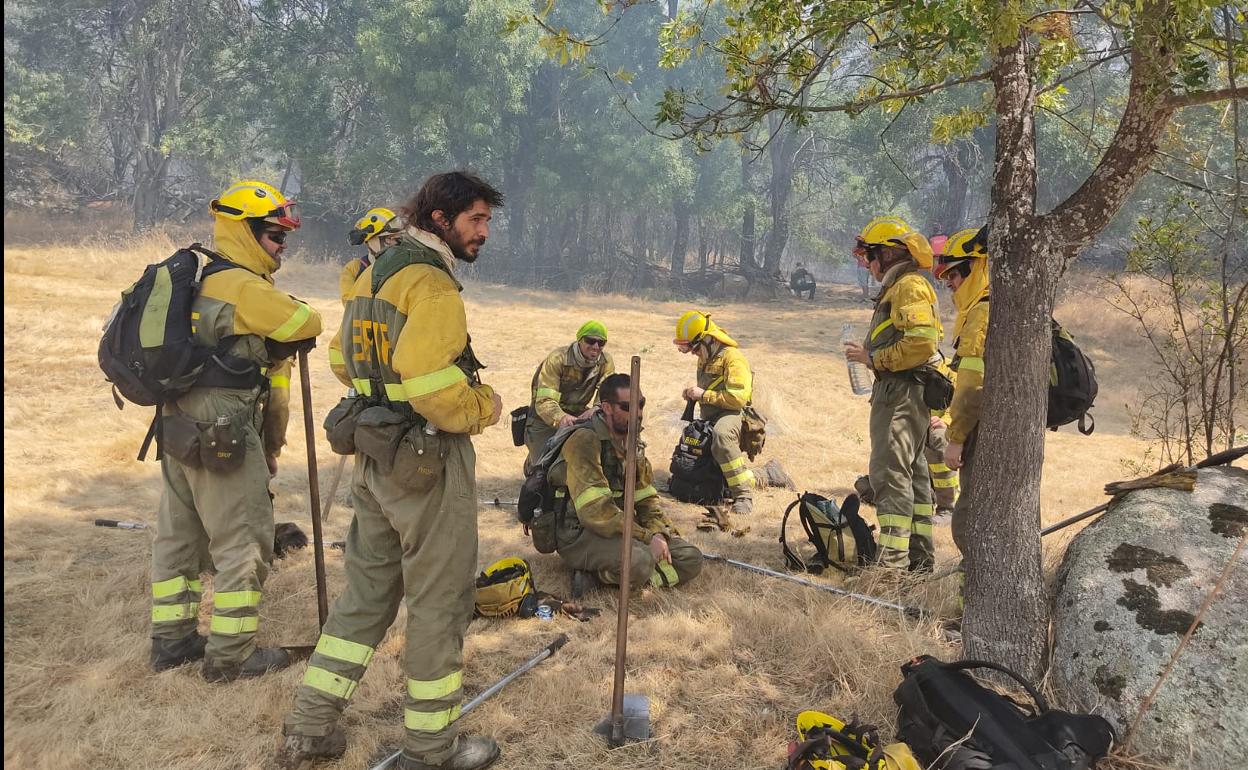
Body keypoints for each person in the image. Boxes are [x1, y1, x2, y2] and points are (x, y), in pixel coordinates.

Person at [278, 172, 505, 770]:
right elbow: (427, 379)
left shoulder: (374, 273)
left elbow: (340, 358)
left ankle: (309, 727)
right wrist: (482, 407)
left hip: (375, 456)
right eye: (476, 220)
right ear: (440, 219)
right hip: (428, 460)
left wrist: (384, 393)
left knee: (367, 595)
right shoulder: (431, 284)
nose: (485, 232)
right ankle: (431, 750)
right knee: (439, 603)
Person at [149, 180, 323, 680]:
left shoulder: (199, 276)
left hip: (177, 422)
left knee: (179, 537)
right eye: (274, 235)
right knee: (243, 540)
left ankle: (173, 640)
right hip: (224, 426)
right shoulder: (243, 287)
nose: (282, 246)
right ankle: (231, 656)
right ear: (244, 232)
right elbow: (304, 323)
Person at [843, 216, 943, 573]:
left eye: (869, 254)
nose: (866, 263)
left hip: (900, 395)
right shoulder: (899, 286)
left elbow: (920, 342)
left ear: (888, 254)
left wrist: (873, 358)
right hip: (901, 392)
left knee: (889, 476)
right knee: (913, 475)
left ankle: (891, 569)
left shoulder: (909, 286)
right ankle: (918, 564)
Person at [548, 372, 703, 597]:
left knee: (690, 558)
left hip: (621, 527)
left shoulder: (631, 441)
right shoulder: (584, 441)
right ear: (607, 408)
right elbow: (596, 512)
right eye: (627, 407)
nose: (638, 413)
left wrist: (659, 533)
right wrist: (646, 538)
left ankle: (621, 573)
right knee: (639, 560)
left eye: (641, 405)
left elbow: (646, 498)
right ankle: (594, 574)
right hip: (580, 533)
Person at [933, 227, 990, 544]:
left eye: (953, 276)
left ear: (977, 266)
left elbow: (972, 384)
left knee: (966, 523)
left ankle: (970, 591)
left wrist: (955, 438)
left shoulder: (982, 312)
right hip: (988, 424)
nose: (950, 284)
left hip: (979, 429)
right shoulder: (987, 307)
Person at [674, 310, 755, 514]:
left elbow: (738, 399)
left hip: (733, 415)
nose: (694, 353)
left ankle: (743, 496)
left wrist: (703, 395)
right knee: (708, 466)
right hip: (711, 415)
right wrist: (693, 394)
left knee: (721, 436)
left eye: (695, 348)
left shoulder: (733, 358)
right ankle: (769, 475)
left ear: (708, 339)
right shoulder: (707, 355)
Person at [523, 321, 615, 471]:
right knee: (543, 469)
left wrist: (597, 408)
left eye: (601, 342)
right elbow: (545, 400)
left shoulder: (606, 361)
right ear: (579, 340)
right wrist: (561, 418)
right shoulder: (557, 358)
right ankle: (531, 462)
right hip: (544, 417)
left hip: (579, 415)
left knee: (595, 454)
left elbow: (606, 393)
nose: (596, 347)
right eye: (590, 341)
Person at [339, 207, 402, 305]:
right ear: (369, 240)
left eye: (398, 238)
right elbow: (350, 306)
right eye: (388, 239)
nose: (395, 243)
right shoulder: (354, 269)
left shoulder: (407, 268)